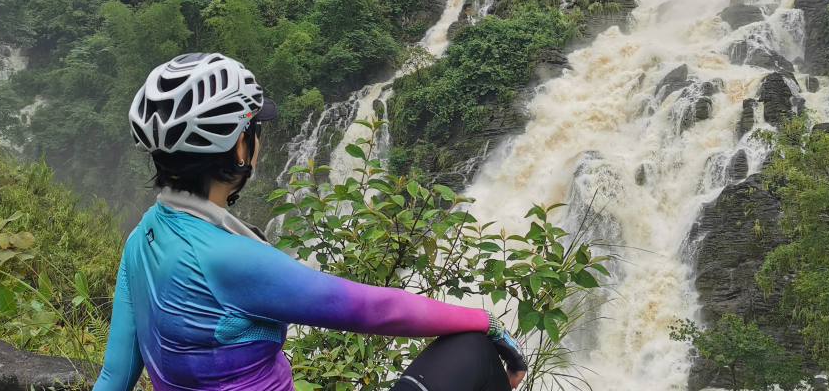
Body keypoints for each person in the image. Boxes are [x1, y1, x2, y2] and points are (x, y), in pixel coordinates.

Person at [94, 53, 527, 391]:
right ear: (239, 148)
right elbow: (378, 310)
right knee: (472, 349)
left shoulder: (142, 238)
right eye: (255, 128)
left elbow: (114, 378)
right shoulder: (230, 260)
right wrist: (488, 322)